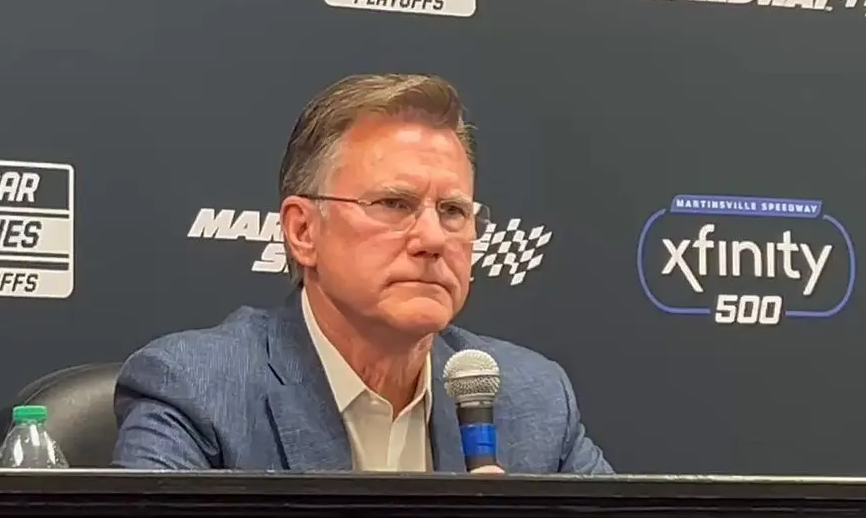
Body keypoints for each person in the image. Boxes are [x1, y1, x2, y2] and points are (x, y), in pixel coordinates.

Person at [112, 73, 612, 474]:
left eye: (453, 211)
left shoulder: (534, 401)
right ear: (303, 230)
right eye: (394, 204)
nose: (433, 239)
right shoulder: (197, 391)